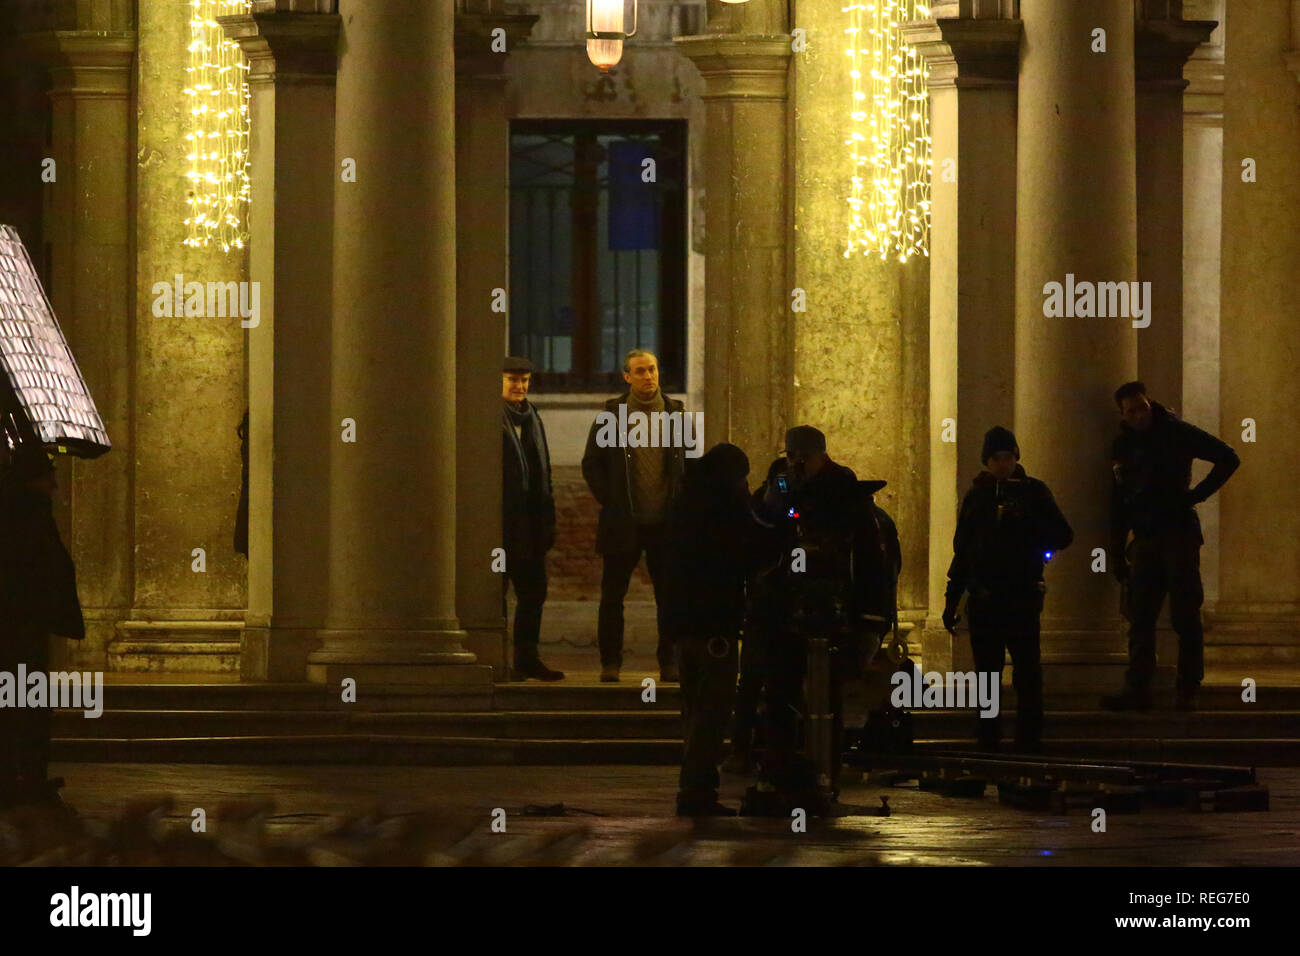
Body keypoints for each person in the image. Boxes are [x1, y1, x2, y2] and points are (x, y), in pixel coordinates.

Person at [745, 425, 900, 808]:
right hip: (784, 616)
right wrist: (773, 498)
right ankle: (781, 775)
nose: (798, 465)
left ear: (822, 456)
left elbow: (871, 565)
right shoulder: (782, 490)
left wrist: (871, 622)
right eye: (792, 456)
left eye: (805, 457)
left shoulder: (847, 497)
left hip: (832, 617)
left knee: (825, 701)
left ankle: (823, 779)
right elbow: (760, 537)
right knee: (779, 696)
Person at [1103, 382, 1239, 712]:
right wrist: (1118, 548)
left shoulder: (1176, 432)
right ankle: (1138, 689)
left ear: (1150, 404)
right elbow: (1119, 500)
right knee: (1140, 617)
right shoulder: (1123, 445)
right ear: (1123, 414)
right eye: (1131, 411)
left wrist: (1195, 496)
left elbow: (1228, 457)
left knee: (1185, 614)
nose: (1138, 415)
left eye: (1142, 407)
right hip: (1146, 537)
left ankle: (1188, 688)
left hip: (1178, 533)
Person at [942, 426, 1073, 753]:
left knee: (1027, 671)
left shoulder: (1034, 492)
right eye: (996, 458)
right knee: (987, 674)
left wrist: (1026, 521)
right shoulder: (978, 496)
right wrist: (952, 598)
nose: (1003, 464)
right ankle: (988, 738)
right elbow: (964, 550)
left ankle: (1029, 740)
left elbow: (1062, 535)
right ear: (987, 461)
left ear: (1016, 458)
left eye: (1008, 457)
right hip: (985, 597)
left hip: (1021, 596)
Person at [661, 443, 762, 816]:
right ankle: (697, 792)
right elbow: (752, 550)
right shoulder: (726, 509)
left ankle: (693, 788)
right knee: (712, 713)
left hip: (683, 627)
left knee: (693, 711)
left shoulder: (684, 503)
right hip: (714, 626)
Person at [581, 349, 686, 683]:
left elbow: (689, 464)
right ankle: (610, 663)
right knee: (613, 596)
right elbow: (591, 463)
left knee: (669, 597)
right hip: (623, 521)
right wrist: (612, 501)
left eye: (652, 369)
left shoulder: (675, 414)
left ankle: (669, 662)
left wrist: (681, 505)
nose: (648, 376)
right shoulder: (612, 416)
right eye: (640, 371)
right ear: (627, 377)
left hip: (664, 522)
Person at [0, 443, 84, 808]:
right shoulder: (29, 514)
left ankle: (17, 776)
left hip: (17, 625)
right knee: (27, 705)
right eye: (49, 474)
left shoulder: (19, 508)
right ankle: (27, 777)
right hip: (23, 627)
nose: (54, 483)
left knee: (17, 704)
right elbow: (43, 569)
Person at [501, 357, 563, 681]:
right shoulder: (491, 417)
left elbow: (544, 468)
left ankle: (527, 658)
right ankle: (497, 661)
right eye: (512, 379)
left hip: (531, 525)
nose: (520, 386)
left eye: (524, 380)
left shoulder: (532, 417)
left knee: (533, 593)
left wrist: (547, 518)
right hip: (500, 526)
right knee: (494, 594)